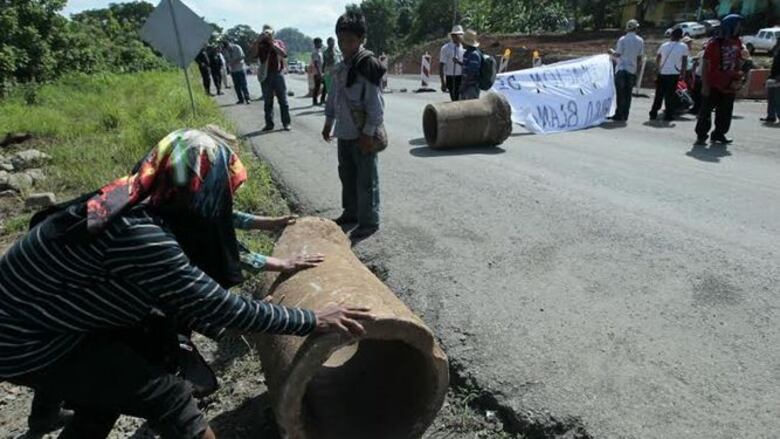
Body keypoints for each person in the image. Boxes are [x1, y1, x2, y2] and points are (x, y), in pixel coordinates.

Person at [0, 127, 374, 439]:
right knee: (165, 394)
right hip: (25, 341)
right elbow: (215, 305)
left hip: (33, 323)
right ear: (205, 188)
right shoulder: (142, 237)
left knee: (112, 385)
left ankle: (53, 420)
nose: (225, 204)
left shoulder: (129, 198)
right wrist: (311, 319)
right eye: (225, 191)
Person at [322, 11, 386, 240]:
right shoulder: (340, 68)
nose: (344, 45)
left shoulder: (367, 66)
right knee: (347, 175)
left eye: (350, 41)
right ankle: (351, 213)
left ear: (361, 40)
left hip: (363, 135)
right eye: (341, 41)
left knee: (366, 180)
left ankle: (369, 221)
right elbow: (333, 97)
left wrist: (368, 134)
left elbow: (376, 107)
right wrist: (328, 122)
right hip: (344, 133)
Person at [695, 14, 745, 145]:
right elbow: (706, 64)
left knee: (725, 112)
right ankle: (701, 135)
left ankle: (719, 133)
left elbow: (739, 60)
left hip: (729, 84)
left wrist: (739, 76)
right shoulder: (714, 43)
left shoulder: (738, 42)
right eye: (738, 25)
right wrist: (705, 85)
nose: (740, 28)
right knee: (705, 111)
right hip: (713, 83)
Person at [256, 27, 292, 131]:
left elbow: (284, 54)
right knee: (268, 101)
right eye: (265, 32)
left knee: (283, 101)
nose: (267, 35)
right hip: (266, 75)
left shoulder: (278, 42)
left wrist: (272, 44)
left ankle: (286, 123)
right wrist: (258, 41)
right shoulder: (260, 44)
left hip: (278, 74)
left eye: (269, 33)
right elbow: (252, 55)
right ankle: (269, 124)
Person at [650, 28, 688, 121]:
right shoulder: (683, 46)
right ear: (681, 36)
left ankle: (653, 112)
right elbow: (684, 61)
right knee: (670, 95)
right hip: (674, 73)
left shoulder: (664, 45)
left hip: (662, 72)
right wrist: (683, 73)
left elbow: (658, 57)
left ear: (671, 35)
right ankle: (668, 115)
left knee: (659, 94)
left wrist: (657, 69)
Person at [611, 19, 644, 121]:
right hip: (631, 70)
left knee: (620, 94)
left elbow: (618, 54)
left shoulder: (622, 40)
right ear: (636, 28)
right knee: (628, 94)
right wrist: (637, 71)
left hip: (621, 69)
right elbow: (639, 57)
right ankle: (625, 114)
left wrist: (611, 51)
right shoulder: (640, 40)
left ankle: (619, 114)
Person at [439, 25, 465, 102]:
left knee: (461, 99)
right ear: (453, 36)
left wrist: (458, 62)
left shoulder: (462, 47)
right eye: (457, 35)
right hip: (451, 77)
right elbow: (441, 65)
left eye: (461, 35)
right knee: (455, 99)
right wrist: (443, 82)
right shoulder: (446, 48)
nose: (459, 37)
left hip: (461, 77)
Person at [222, 40, 251, 104]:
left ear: (230, 43)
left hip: (240, 69)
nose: (228, 48)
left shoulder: (237, 47)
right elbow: (226, 60)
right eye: (226, 47)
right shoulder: (225, 51)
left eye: (228, 46)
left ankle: (247, 98)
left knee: (243, 85)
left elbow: (242, 56)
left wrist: (234, 62)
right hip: (233, 70)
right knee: (237, 86)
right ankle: (240, 99)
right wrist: (228, 64)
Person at [760, 39, 780, 123]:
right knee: (771, 98)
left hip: (778, 78)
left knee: (777, 99)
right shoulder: (777, 52)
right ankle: (771, 116)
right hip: (773, 77)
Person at [459, 29, 482, 100]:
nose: (461, 43)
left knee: (470, 109)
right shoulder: (467, 53)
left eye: (463, 42)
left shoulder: (474, 55)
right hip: (466, 86)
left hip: (471, 87)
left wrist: (463, 86)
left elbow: (471, 73)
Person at [690, 40, 707, 114]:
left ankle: (696, 108)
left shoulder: (701, 53)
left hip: (699, 75)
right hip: (704, 76)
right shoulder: (708, 53)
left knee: (696, 93)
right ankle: (701, 108)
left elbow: (694, 62)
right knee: (701, 94)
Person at [322, 37, 338, 104]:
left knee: (336, 86)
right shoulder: (326, 52)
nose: (333, 43)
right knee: (329, 87)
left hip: (335, 69)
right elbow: (327, 61)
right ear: (328, 43)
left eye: (334, 42)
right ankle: (330, 101)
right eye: (331, 42)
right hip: (329, 69)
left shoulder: (336, 50)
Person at [312, 38, 325, 106]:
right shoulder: (315, 52)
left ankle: (322, 100)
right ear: (316, 43)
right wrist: (319, 73)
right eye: (320, 43)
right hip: (317, 72)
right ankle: (315, 101)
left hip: (320, 71)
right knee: (317, 86)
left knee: (324, 86)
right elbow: (316, 63)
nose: (321, 44)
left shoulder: (320, 51)